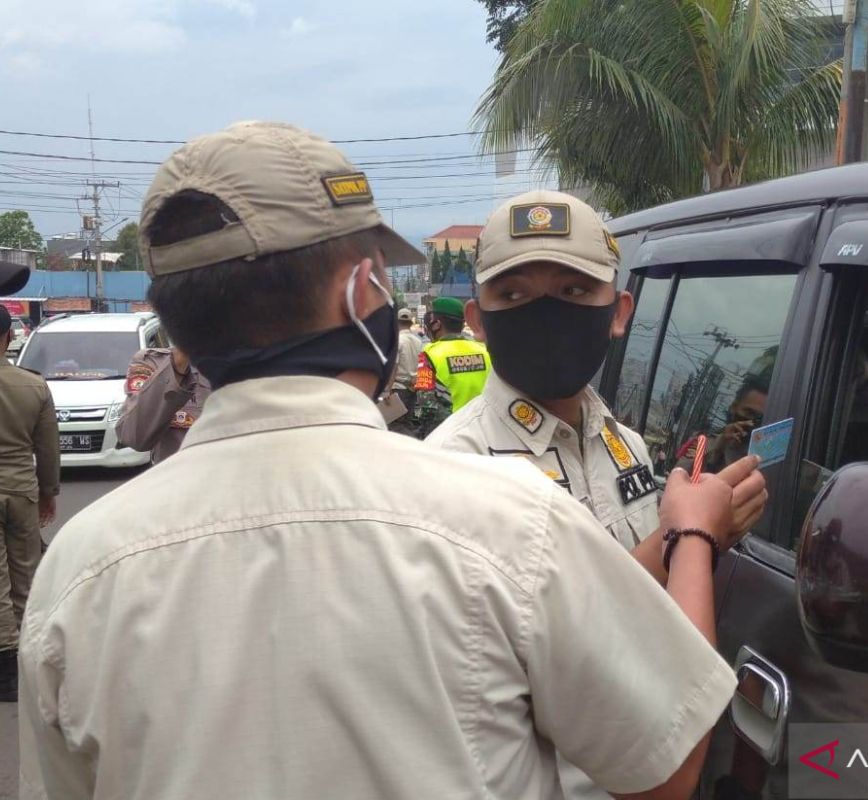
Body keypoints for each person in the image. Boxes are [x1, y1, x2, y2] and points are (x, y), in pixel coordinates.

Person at [19, 121, 738, 800]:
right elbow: (665, 768)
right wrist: (694, 539)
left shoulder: (77, 570)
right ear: (362, 292)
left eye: (577, 290)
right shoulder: (504, 516)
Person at [426, 188, 766, 799]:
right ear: (478, 322)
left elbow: (626, 603)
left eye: (575, 291)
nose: (546, 313)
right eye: (515, 295)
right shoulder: (452, 473)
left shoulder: (623, 444)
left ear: (619, 312)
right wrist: (687, 535)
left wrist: (697, 528)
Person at [0, 302, 59, 703]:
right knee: (27, 576)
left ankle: (3, 671)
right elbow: (48, 450)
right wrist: (48, 494)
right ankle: (25, 664)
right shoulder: (33, 386)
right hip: (21, 490)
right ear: (8, 336)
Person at [409, 296, 491, 437]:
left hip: (448, 434)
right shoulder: (483, 350)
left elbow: (425, 404)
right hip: (483, 431)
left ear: (436, 324)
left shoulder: (429, 354)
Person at [115, 346, 211, 463]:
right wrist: (178, 364)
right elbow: (137, 438)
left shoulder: (237, 364)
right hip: (179, 477)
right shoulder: (155, 361)